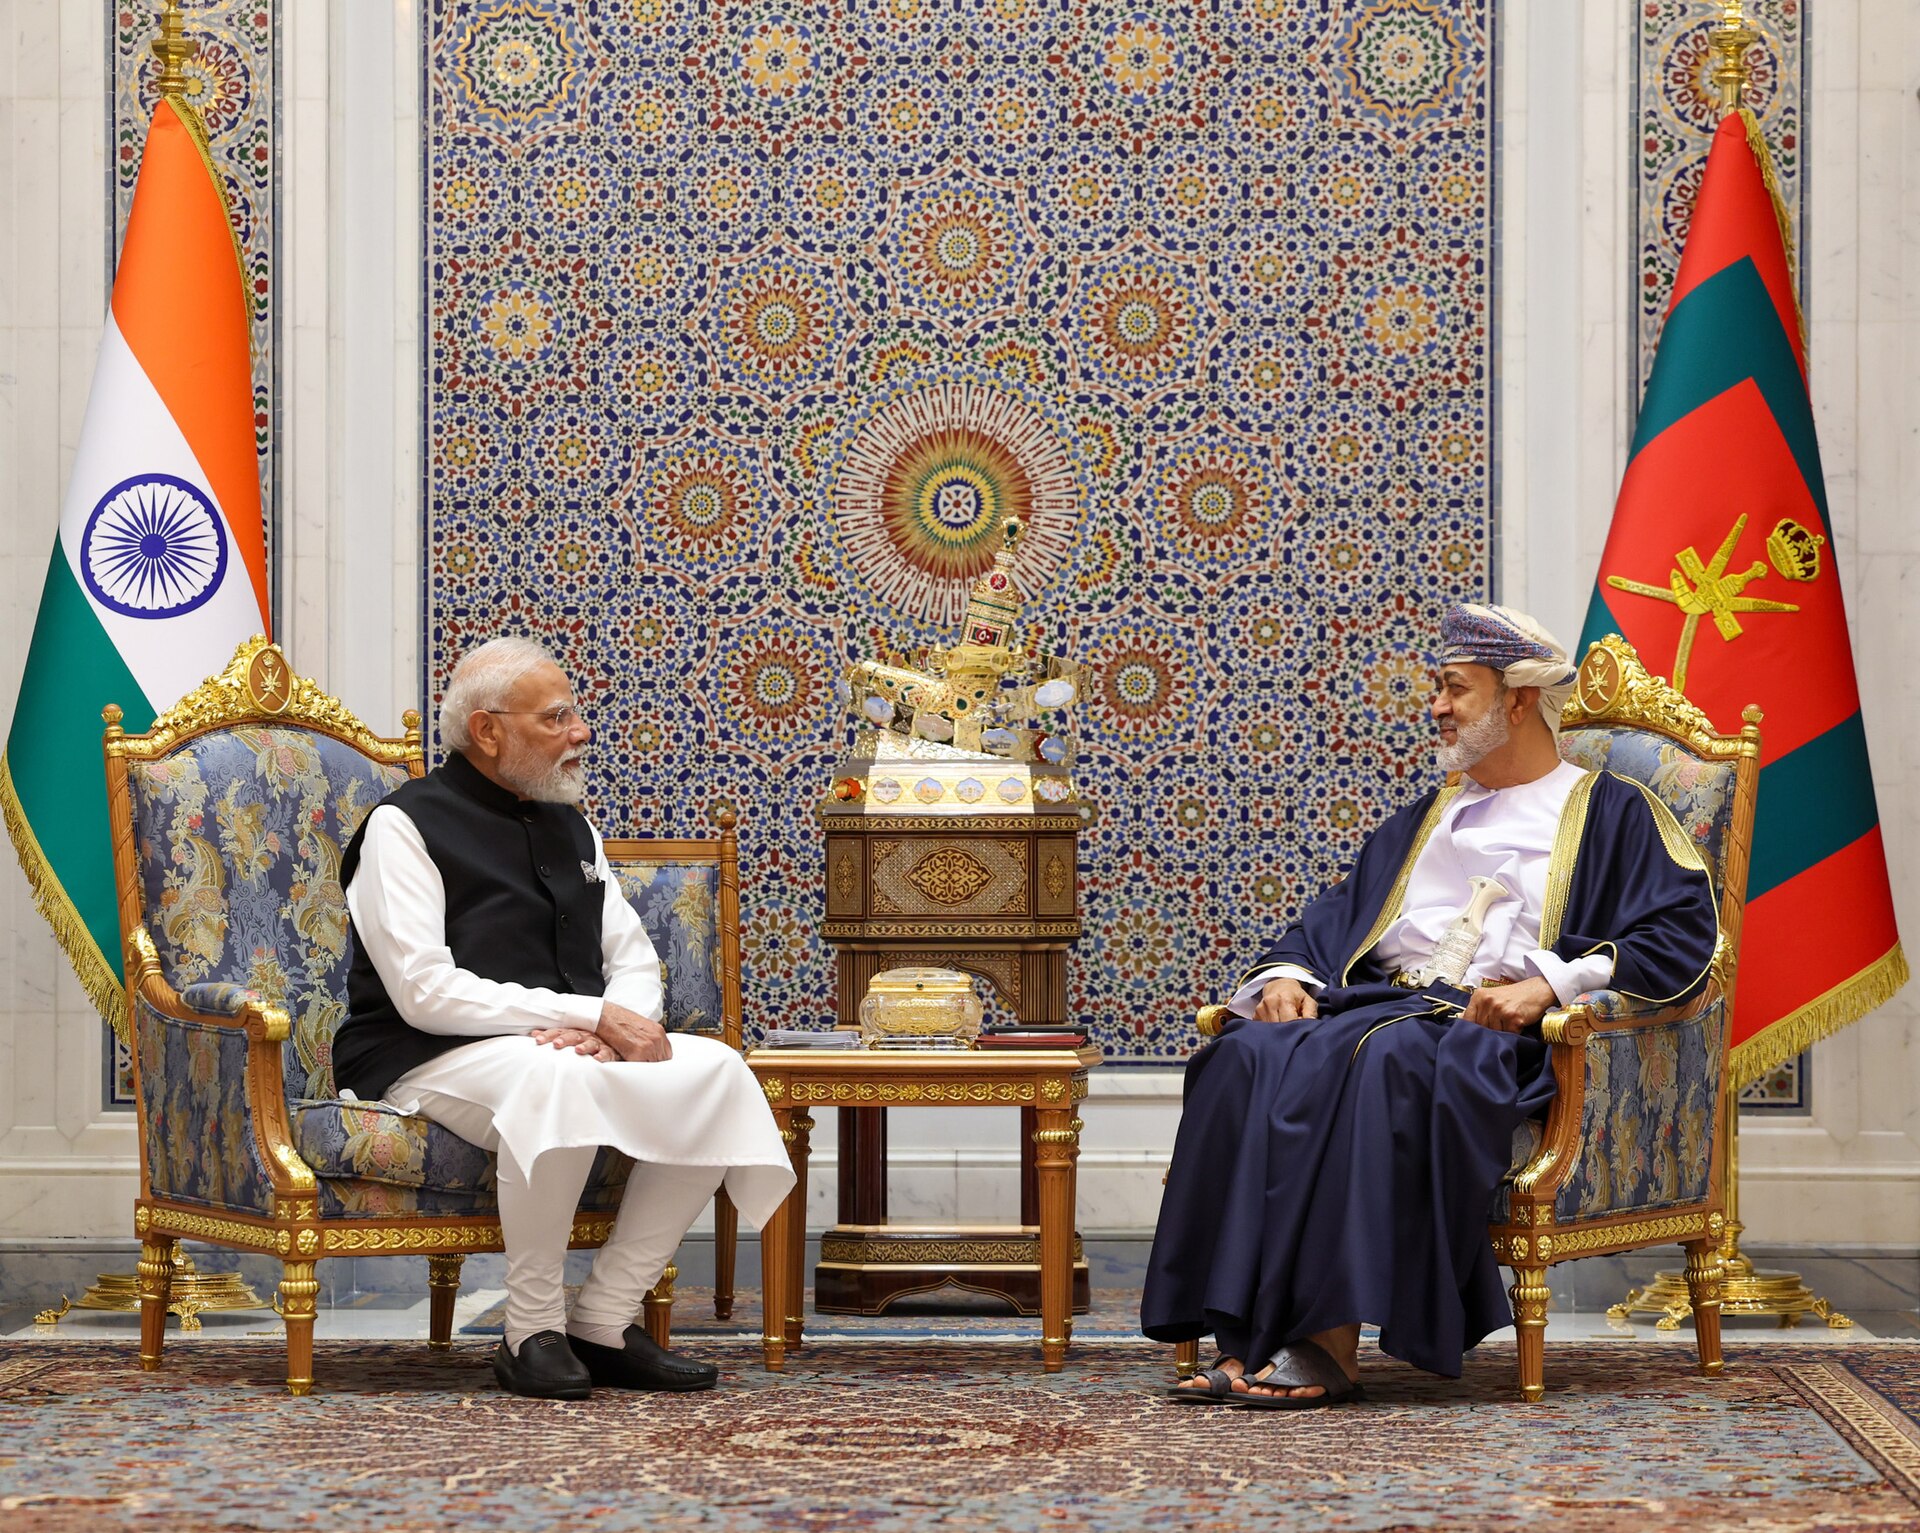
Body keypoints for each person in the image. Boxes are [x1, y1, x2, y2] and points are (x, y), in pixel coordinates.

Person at [1143, 603, 1719, 1408]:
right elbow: (1335, 916)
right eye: (1437, 688)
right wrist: (1284, 975)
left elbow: (1687, 935)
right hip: (1380, 1006)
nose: (1436, 706)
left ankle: (1327, 1343)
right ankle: (1245, 1333)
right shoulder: (1428, 817)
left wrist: (1549, 983)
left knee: (1385, 1061)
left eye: (1456, 688)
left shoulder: (1614, 810)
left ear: (1518, 699)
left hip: (1491, 1032)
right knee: (1245, 1052)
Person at [332, 636, 795, 1400]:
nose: (581, 731)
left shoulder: (570, 823)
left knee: (715, 1070)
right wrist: (590, 1016)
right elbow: (424, 990)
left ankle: (605, 1319)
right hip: (421, 1054)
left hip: (562, 1050)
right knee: (554, 1073)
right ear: (488, 731)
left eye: (575, 713)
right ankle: (532, 1329)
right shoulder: (402, 826)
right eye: (558, 717)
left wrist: (618, 1023)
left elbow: (635, 958)